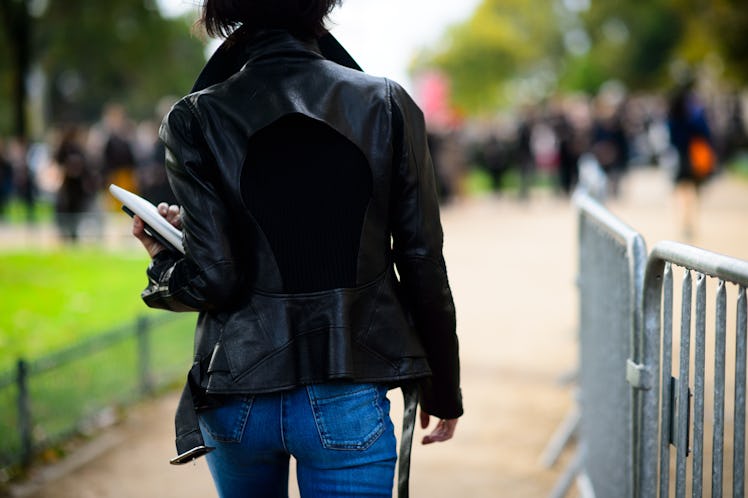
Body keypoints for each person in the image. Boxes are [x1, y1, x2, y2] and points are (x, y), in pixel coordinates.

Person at [130, 1, 463, 496]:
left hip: (237, 389)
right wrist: (444, 385)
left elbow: (215, 276)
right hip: (348, 382)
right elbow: (421, 261)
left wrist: (162, 261)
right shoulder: (388, 103)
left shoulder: (195, 116)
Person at [666, 80, 715, 240]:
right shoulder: (693, 117)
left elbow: (671, 138)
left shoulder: (672, 118)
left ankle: (683, 223)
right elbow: (705, 133)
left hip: (679, 157)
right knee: (692, 193)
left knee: (681, 192)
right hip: (691, 157)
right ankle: (689, 223)